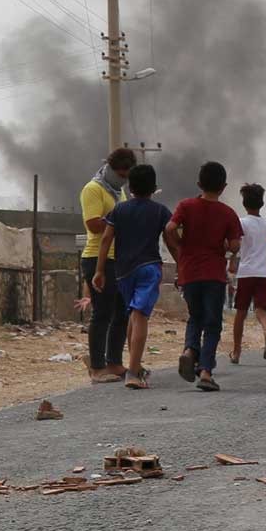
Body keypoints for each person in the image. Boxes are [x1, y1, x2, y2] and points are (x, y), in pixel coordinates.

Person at [90, 163, 178, 389]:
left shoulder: (119, 210)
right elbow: (171, 241)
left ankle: (135, 367)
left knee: (133, 316)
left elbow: (106, 239)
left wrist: (99, 271)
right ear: (154, 188)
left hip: (123, 272)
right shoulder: (160, 211)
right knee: (139, 317)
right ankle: (133, 372)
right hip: (149, 269)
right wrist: (182, 266)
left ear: (129, 187)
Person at [170, 161, 243, 392]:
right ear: (223, 187)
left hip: (189, 272)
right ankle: (205, 371)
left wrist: (181, 247)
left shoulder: (185, 205)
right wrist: (226, 247)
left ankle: (189, 350)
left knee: (195, 317)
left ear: (199, 183)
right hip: (213, 274)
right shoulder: (228, 213)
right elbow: (234, 245)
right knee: (212, 324)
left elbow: (170, 228)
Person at [78, 147, 136, 384]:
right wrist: (119, 218)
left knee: (121, 313)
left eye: (127, 176)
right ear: (111, 169)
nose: (123, 179)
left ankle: (114, 362)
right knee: (102, 313)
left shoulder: (118, 193)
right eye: (121, 174)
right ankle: (97, 367)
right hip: (97, 258)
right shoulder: (93, 189)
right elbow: (93, 225)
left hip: (119, 259)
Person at [229, 183, 266, 366]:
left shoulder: (241, 223)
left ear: (244, 203)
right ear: (262, 202)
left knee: (241, 313)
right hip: (265, 273)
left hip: (246, 272)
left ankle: (236, 351)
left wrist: (231, 261)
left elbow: (235, 247)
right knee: (261, 310)